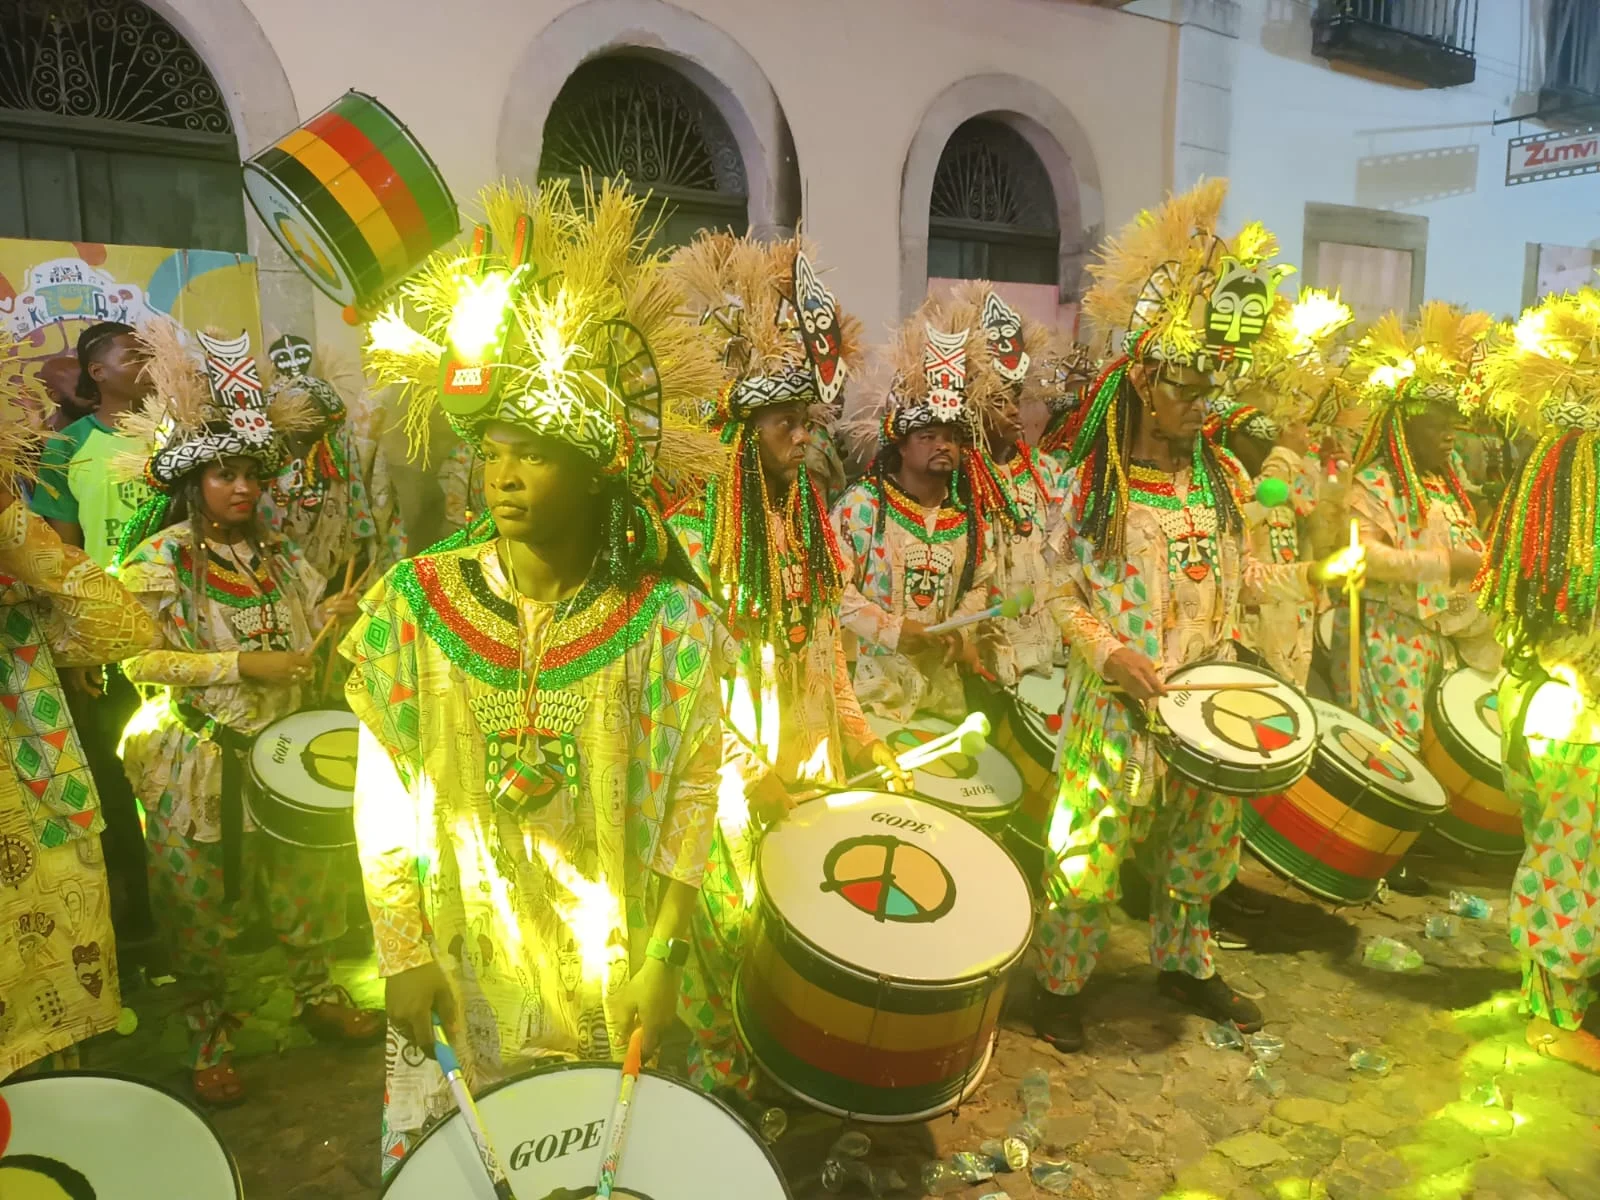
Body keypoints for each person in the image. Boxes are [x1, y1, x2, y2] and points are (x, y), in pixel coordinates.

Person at [350, 179, 730, 1175]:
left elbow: (694, 798)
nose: (506, 477)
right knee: (475, 1171)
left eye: (537, 456)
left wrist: (666, 955)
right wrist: (402, 953)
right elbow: (382, 790)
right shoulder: (416, 606)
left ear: (597, 470)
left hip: (611, 966)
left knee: (600, 1164)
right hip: (462, 963)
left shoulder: (670, 624)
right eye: (495, 452)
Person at [1033, 179, 1355, 1050]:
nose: (1203, 403)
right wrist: (1110, 655)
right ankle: (1061, 982)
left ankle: (1185, 963)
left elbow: (1243, 575)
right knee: (1087, 853)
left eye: (1213, 385)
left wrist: (1305, 576)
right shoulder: (1089, 483)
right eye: (1186, 385)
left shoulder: (1223, 479)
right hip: (1118, 707)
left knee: (1203, 848)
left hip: (1208, 704)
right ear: (1142, 377)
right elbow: (1058, 590)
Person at [112, 319, 379, 1106]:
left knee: (305, 886)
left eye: (250, 476)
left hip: (287, 756)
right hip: (202, 765)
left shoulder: (279, 553)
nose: (242, 489)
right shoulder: (158, 561)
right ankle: (209, 1037)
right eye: (224, 476)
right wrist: (241, 665)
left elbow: (308, 628)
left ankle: (315, 994)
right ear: (193, 482)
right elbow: (136, 660)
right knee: (200, 910)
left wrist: (335, 612)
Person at [664, 233, 901, 1101]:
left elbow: (823, 646)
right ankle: (721, 1086)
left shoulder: (807, 522)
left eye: (810, 422)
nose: (804, 437)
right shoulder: (694, 539)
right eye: (784, 424)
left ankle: (785, 1064)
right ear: (741, 433)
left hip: (806, 769)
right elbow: (686, 686)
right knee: (727, 929)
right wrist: (745, 771)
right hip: (728, 783)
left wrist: (860, 737)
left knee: (800, 921)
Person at [0, 349, 159, 1079]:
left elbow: (120, 628)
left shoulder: (12, 560)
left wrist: (18, 538)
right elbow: (118, 626)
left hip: (30, 771)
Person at [1477, 285, 1600, 1072]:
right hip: (1566, 720)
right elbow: (1566, 639)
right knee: (1569, 859)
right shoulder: (1568, 528)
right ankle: (1552, 1015)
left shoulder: (1564, 517)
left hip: (1561, 712)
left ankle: (1566, 998)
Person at [30, 321, 158, 966]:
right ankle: (142, 914)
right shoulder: (67, 447)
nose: (147, 362)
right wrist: (78, 642)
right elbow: (64, 549)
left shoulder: (178, 433)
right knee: (119, 773)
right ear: (98, 372)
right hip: (113, 631)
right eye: (133, 354)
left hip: (188, 625)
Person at [1332, 302, 1501, 750]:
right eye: (1435, 426)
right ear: (1403, 429)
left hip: (1445, 644)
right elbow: (1362, 557)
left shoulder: (1447, 486)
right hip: (1389, 640)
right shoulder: (1375, 484)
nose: (1449, 436)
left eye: (1452, 426)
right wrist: (1447, 563)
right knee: (1395, 761)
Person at [831, 311, 995, 721]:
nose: (943, 446)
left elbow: (981, 584)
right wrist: (890, 629)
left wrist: (959, 630)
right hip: (870, 695)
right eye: (928, 436)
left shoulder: (968, 518)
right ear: (901, 447)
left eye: (952, 439)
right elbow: (831, 586)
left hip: (942, 696)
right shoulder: (862, 506)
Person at [1209, 288, 1353, 689]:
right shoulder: (1221, 479)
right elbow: (1248, 515)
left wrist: (1335, 479)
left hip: (1294, 627)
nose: (1270, 440)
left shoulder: (1288, 474)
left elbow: (1323, 541)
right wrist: (1285, 456)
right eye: (1259, 432)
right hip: (1246, 634)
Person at [257, 334, 378, 584]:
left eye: (311, 407)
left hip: (339, 567)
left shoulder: (340, 453)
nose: (305, 416)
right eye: (294, 409)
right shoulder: (268, 459)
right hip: (285, 574)